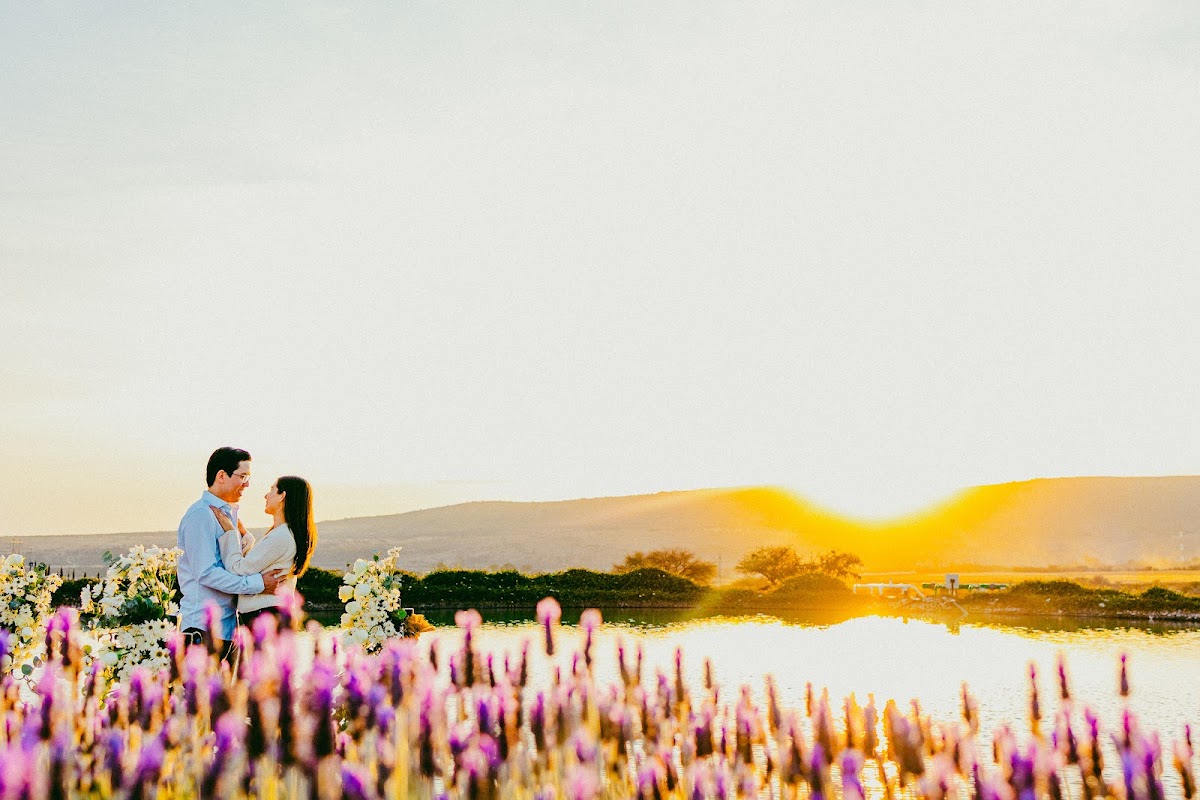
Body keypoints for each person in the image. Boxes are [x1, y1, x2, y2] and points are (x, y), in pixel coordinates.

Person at [177, 447, 287, 656]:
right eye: (243, 476)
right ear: (221, 476)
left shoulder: (228, 514)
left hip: (228, 629)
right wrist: (259, 584)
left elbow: (233, 564)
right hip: (202, 629)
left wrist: (246, 540)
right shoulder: (201, 515)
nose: (247, 484)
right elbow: (206, 572)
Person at [212, 475, 318, 631]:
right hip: (270, 614)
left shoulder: (281, 536)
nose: (266, 496)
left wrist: (230, 533)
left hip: (265, 615)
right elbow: (255, 564)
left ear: (282, 496)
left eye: (272, 490)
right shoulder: (284, 534)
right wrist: (245, 536)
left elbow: (237, 569)